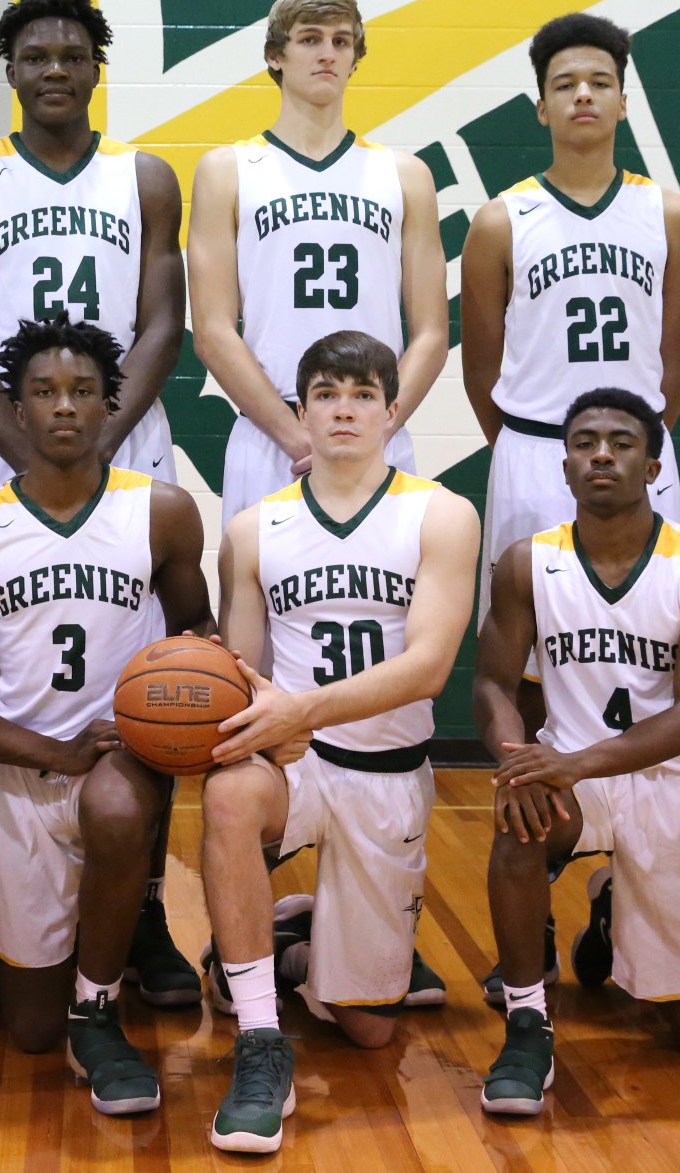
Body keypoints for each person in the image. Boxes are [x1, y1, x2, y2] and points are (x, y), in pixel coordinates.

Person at [0, 0, 193, 1014]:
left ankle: (147, 910)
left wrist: (97, 444)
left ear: (95, 69)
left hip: (122, 439)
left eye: (72, 55)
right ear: (9, 68)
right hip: (10, 444)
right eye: (35, 55)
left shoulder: (144, 177)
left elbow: (161, 324)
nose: (53, 71)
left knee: (155, 688)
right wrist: (30, 449)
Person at [460, 12, 680, 1007]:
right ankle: (534, 889)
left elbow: (676, 358)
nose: (584, 96)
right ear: (540, 104)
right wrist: (538, 446)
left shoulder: (665, 213)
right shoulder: (500, 219)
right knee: (522, 664)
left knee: (646, 652)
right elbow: (481, 368)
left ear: (623, 98)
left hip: (637, 452)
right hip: (530, 447)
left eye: (599, 80)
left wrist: (628, 452)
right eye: (565, 83)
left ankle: (622, 884)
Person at [0, 317, 213, 1120]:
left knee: (116, 806)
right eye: (44, 391)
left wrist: (197, 696)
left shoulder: (162, 512)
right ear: (16, 410)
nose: (65, 406)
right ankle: (57, 970)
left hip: (120, 759)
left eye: (83, 390)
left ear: (110, 405)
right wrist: (53, 748)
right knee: (28, 1031)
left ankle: (98, 1007)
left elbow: (197, 631)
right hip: (22, 772)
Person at [197, 331, 478, 1153]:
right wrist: (249, 711)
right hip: (297, 766)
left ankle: (292, 941)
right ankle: (259, 1037)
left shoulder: (442, 513)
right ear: (302, 410)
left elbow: (428, 667)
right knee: (229, 793)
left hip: (388, 770)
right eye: (326, 393)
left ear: (393, 412)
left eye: (362, 394)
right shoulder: (254, 528)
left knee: (367, 1028)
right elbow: (243, 669)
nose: (344, 409)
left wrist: (302, 710)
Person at [474, 389, 680, 1117]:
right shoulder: (527, 563)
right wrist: (517, 758)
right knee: (520, 819)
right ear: (564, 467)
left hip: (665, 783)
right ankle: (526, 1020)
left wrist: (574, 763)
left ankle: (611, 908)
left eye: (621, 443)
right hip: (569, 781)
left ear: (653, 467)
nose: (601, 454)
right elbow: (493, 682)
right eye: (585, 443)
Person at [189, 0, 447, 527]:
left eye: (341, 41)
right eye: (309, 39)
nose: (327, 53)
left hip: (377, 435)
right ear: (275, 56)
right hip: (271, 432)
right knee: (255, 583)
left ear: (355, 57)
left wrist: (378, 428)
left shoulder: (405, 175)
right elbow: (212, 330)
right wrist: (296, 436)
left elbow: (431, 333)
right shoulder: (227, 171)